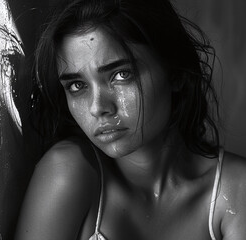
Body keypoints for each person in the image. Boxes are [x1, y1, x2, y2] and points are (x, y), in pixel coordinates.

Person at [15, 0, 246, 239]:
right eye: (77, 85)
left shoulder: (235, 189)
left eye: (121, 75)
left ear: (174, 72)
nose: (98, 107)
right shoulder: (68, 173)